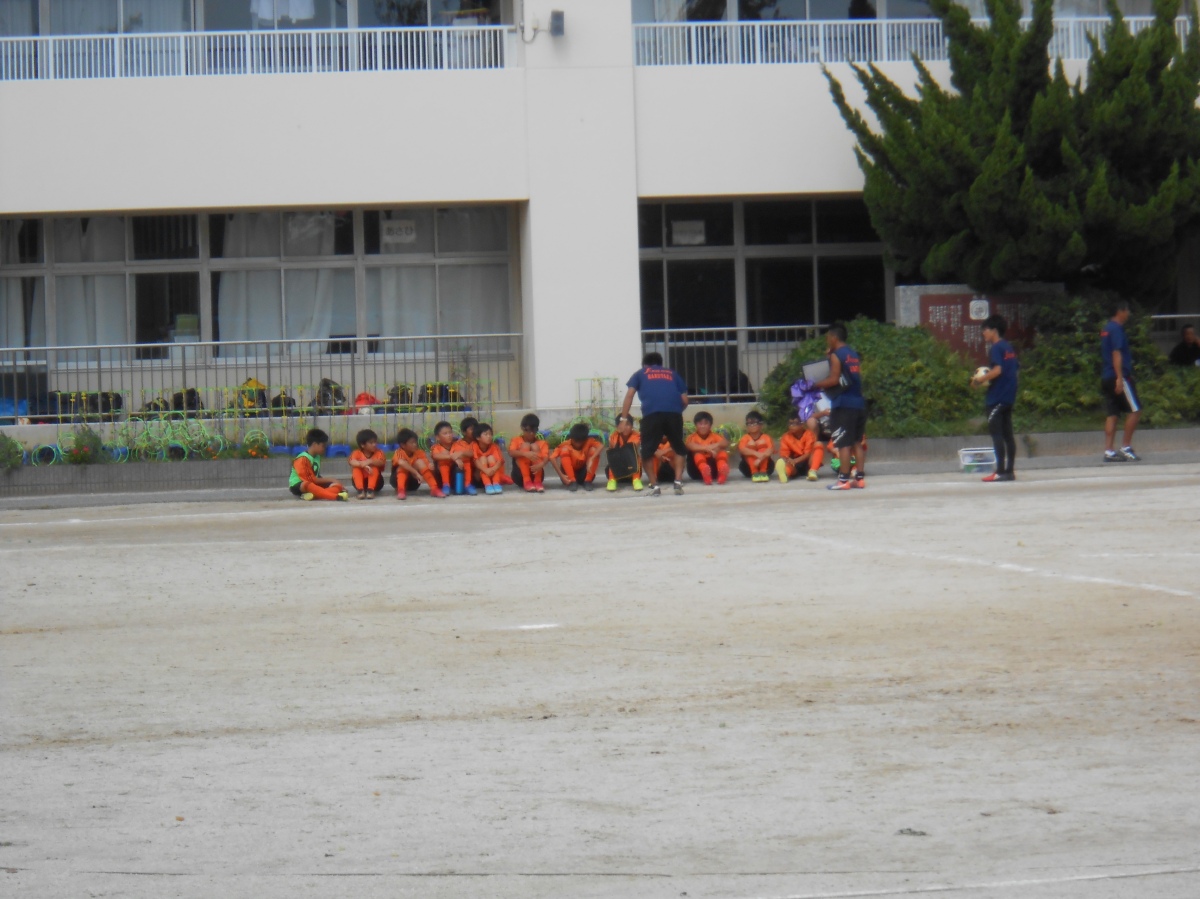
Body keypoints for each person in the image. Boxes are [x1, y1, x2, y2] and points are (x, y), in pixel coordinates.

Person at [620, 351, 689, 497]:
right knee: (679, 448)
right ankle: (678, 481)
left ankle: (655, 486)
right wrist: (676, 412)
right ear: (661, 364)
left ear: (645, 365)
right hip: (674, 414)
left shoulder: (640, 374)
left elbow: (630, 395)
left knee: (647, 452)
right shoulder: (672, 374)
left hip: (652, 414)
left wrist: (623, 419)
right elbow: (685, 400)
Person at [813, 322, 867, 490]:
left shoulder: (837, 355)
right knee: (857, 442)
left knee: (843, 443)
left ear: (834, 337)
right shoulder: (852, 354)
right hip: (858, 402)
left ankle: (843, 480)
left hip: (844, 404)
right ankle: (859, 478)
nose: (827, 340)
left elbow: (833, 379)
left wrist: (813, 384)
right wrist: (830, 355)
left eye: (828, 337)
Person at [972, 314, 1019, 482]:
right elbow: (1015, 369)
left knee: (997, 434)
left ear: (994, 330)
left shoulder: (996, 348)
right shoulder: (1008, 347)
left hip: (997, 398)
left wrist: (980, 380)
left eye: (985, 330)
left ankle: (999, 472)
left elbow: (997, 370)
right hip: (1008, 397)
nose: (983, 333)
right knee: (1008, 435)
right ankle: (1009, 472)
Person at [1101, 301, 1142, 462]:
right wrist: (1119, 377)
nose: (1128, 314)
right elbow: (1116, 353)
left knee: (1113, 413)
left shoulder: (1106, 328)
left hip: (1106, 375)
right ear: (1120, 311)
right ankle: (1126, 447)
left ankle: (1109, 451)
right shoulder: (1117, 329)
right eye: (1127, 311)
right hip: (1119, 376)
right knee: (1135, 410)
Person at [289, 428, 348, 501]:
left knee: (337, 486)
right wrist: (332, 479)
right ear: (314, 444)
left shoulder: (317, 457)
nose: (325, 448)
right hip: (299, 485)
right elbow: (311, 480)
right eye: (323, 446)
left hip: (314, 484)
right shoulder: (303, 458)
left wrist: (333, 482)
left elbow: (316, 475)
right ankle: (335, 496)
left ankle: (314, 495)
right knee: (308, 485)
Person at [390, 428, 444, 500]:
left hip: (414, 482)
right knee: (403, 466)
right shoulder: (399, 452)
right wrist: (416, 473)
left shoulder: (419, 452)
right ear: (403, 445)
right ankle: (401, 490)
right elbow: (401, 462)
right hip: (397, 481)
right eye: (412, 443)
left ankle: (434, 488)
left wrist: (431, 467)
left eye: (415, 442)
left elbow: (426, 464)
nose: (415, 444)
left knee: (419, 462)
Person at [550, 422, 603, 492]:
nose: (578, 444)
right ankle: (572, 482)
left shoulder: (589, 441)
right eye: (575, 441)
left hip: (583, 473)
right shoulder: (565, 444)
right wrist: (561, 475)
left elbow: (601, 446)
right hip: (567, 476)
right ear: (571, 438)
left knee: (593, 451)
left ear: (584, 440)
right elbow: (552, 458)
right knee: (564, 450)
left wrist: (592, 459)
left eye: (580, 441)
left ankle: (588, 481)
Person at [430, 420, 476, 495]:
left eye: (450, 432)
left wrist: (462, 453)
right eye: (445, 433)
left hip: (456, 474)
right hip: (441, 477)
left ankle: (467, 484)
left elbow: (471, 453)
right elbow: (435, 456)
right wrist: (453, 457)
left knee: (466, 460)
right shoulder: (436, 447)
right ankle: (446, 485)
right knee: (443, 461)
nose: (449, 435)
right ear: (437, 437)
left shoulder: (457, 444)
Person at [775, 412, 824, 483]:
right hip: (794, 464)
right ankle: (785, 473)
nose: (792, 426)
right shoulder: (785, 437)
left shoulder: (809, 434)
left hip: (808, 462)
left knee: (818, 444)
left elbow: (808, 453)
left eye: (795, 423)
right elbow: (784, 454)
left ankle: (813, 471)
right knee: (787, 465)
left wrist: (795, 460)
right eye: (790, 424)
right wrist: (788, 460)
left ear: (802, 424)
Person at [685, 411, 730, 485]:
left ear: (710, 425)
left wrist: (715, 447)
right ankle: (704, 471)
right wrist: (707, 449)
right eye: (700, 424)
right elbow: (690, 446)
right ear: (696, 425)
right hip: (696, 472)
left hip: (713, 470)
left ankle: (722, 472)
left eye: (706, 424)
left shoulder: (715, 436)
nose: (703, 426)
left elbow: (725, 443)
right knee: (697, 453)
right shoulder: (692, 437)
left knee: (721, 451)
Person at [509, 412, 550, 493]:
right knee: (525, 446)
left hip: (537, 473)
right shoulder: (516, 440)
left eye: (534, 430)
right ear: (522, 428)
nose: (531, 433)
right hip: (520, 475)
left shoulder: (542, 443)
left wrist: (542, 464)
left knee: (535, 446)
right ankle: (526, 480)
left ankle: (537, 481)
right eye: (528, 430)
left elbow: (546, 456)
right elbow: (511, 452)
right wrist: (525, 454)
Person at [605, 413, 644, 491]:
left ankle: (636, 480)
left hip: (632, 469)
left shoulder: (636, 435)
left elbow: (630, 448)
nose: (625, 427)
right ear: (617, 427)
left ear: (632, 426)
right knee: (613, 457)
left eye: (628, 425)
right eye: (622, 425)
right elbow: (613, 450)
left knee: (636, 457)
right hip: (618, 471)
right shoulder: (613, 436)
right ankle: (612, 480)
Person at [737, 410, 775, 482]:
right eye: (749, 423)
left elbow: (770, 450)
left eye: (754, 423)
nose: (752, 426)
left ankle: (763, 472)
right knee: (750, 448)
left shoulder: (766, 437)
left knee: (763, 447)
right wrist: (756, 454)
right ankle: (754, 472)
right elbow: (742, 449)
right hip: (748, 468)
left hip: (767, 467)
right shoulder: (745, 438)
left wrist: (760, 459)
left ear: (761, 424)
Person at [348, 428, 386, 499]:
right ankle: (360, 491)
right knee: (356, 468)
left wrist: (370, 461)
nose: (374, 445)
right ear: (362, 445)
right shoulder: (356, 453)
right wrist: (363, 465)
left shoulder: (379, 452)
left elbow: (381, 462)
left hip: (376, 482)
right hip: (360, 482)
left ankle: (370, 491)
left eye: (375, 442)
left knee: (374, 467)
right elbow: (352, 462)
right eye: (371, 443)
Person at [472, 423, 506, 494]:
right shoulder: (474, 446)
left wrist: (492, 469)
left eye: (490, 434)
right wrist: (486, 470)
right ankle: (487, 485)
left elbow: (499, 461)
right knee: (483, 458)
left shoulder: (494, 446)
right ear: (478, 437)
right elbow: (475, 461)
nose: (489, 436)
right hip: (479, 476)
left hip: (493, 473)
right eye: (486, 434)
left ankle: (496, 483)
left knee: (491, 458)